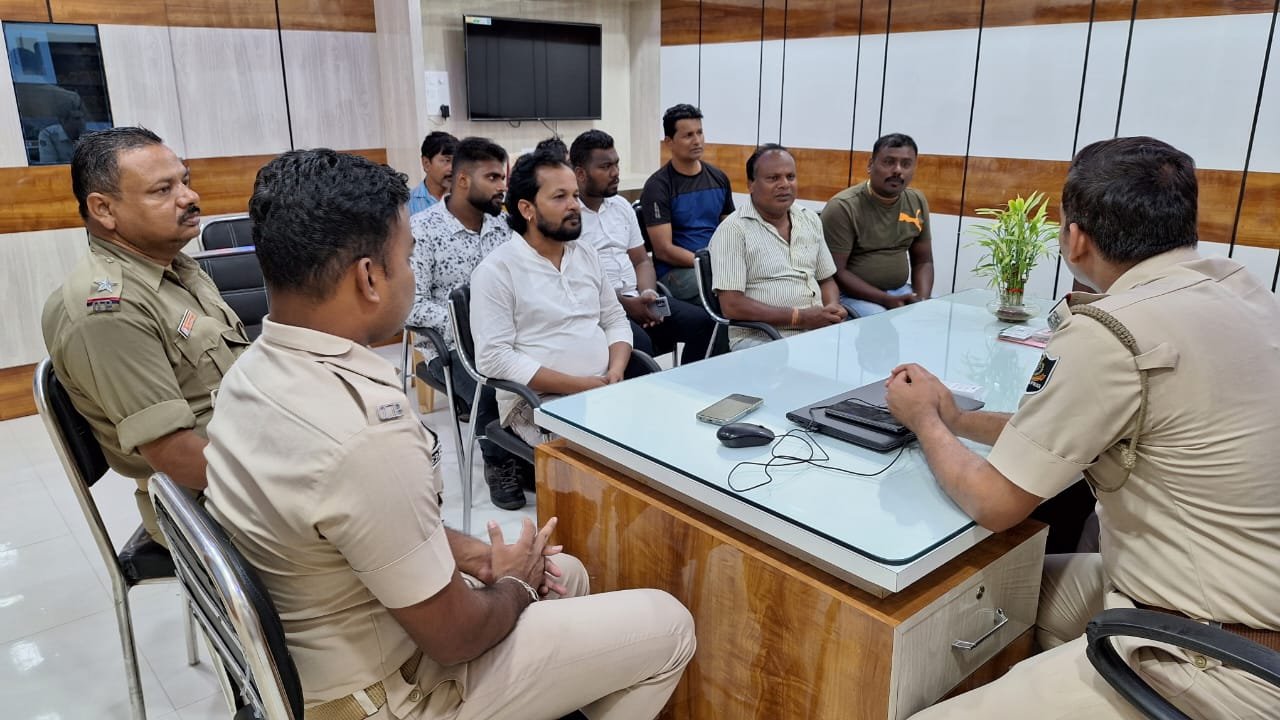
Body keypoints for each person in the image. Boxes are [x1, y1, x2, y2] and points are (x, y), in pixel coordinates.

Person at [204, 148, 695, 720]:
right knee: (668, 624)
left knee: (566, 573)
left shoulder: (249, 373)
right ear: (369, 278)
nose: (413, 274)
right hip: (391, 695)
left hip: (332, 643)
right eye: (407, 258)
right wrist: (514, 585)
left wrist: (482, 558)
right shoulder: (364, 430)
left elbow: (366, 527)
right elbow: (457, 638)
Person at [888, 136, 1280, 719]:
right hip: (1221, 595)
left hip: (1217, 653)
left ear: (1074, 238)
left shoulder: (1112, 330)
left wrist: (924, 421)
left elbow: (995, 503)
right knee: (987, 596)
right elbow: (1069, 431)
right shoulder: (1242, 289)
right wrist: (960, 420)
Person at [41, 126, 249, 544]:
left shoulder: (174, 265)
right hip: (207, 503)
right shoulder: (109, 311)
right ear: (103, 209)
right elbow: (176, 457)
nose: (189, 197)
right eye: (162, 190)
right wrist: (291, 478)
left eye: (185, 181)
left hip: (246, 459)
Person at [471, 149, 633, 447]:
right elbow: (494, 358)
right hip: (536, 401)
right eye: (560, 197)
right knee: (611, 449)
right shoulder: (497, 270)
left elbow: (615, 320)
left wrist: (615, 371)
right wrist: (579, 386)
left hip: (604, 387)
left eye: (575, 195)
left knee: (658, 430)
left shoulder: (586, 254)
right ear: (527, 209)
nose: (574, 206)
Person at [406, 137, 529, 510]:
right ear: (462, 180)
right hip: (451, 347)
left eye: (503, 177)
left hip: (510, 336)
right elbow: (411, 305)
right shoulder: (422, 230)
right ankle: (500, 463)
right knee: (488, 389)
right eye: (492, 178)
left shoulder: (505, 228)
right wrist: (474, 324)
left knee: (551, 368)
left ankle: (528, 450)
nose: (502, 186)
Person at [570, 129, 719, 363]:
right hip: (602, 308)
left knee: (703, 323)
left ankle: (690, 383)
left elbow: (641, 260)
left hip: (639, 297)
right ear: (580, 173)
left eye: (616, 164)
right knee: (641, 343)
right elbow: (577, 282)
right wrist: (628, 305)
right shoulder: (570, 216)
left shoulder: (621, 206)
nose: (615, 173)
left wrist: (648, 293)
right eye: (606, 167)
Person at [709, 144, 846, 350]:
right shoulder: (734, 230)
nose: (784, 185)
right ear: (751, 184)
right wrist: (799, 317)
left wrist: (832, 307)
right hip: (761, 337)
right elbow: (732, 305)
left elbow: (826, 279)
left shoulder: (809, 219)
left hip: (816, 329)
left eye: (790, 177)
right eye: (773, 178)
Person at [822, 132, 934, 316]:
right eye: (889, 162)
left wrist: (921, 300)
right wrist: (886, 300)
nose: (897, 170)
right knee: (879, 319)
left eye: (906, 164)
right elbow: (836, 272)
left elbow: (924, 261)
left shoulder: (917, 200)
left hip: (899, 291)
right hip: (850, 295)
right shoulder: (843, 206)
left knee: (935, 314)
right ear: (870, 165)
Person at [640, 103, 735, 301]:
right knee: (729, 292)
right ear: (669, 142)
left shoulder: (718, 178)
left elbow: (731, 230)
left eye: (699, 133)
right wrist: (709, 264)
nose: (697, 141)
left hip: (718, 265)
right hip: (677, 272)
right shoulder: (657, 187)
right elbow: (664, 250)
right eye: (688, 135)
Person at [408, 131, 456, 217]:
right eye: (447, 160)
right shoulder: (407, 204)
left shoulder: (466, 201)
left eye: (456, 161)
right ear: (426, 163)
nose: (453, 168)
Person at [37, 97, 88, 164]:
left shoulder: (88, 135)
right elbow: (49, 166)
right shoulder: (48, 134)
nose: (82, 122)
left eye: (83, 118)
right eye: (77, 119)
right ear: (63, 121)